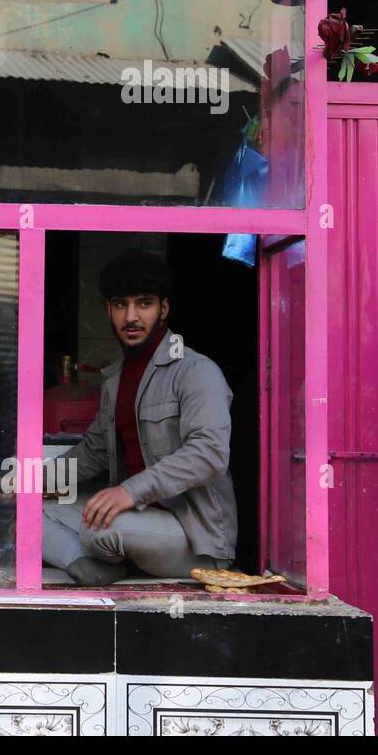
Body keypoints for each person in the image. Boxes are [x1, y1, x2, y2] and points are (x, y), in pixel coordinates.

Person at [43, 250, 238, 586]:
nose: (131, 317)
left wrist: (130, 492)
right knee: (28, 514)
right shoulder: (116, 377)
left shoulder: (196, 371)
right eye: (120, 305)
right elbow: (94, 452)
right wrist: (33, 483)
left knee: (100, 528)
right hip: (139, 521)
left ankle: (90, 556)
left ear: (163, 309)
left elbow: (210, 453)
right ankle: (87, 568)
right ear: (107, 308)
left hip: (193, 536)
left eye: (143, 304)